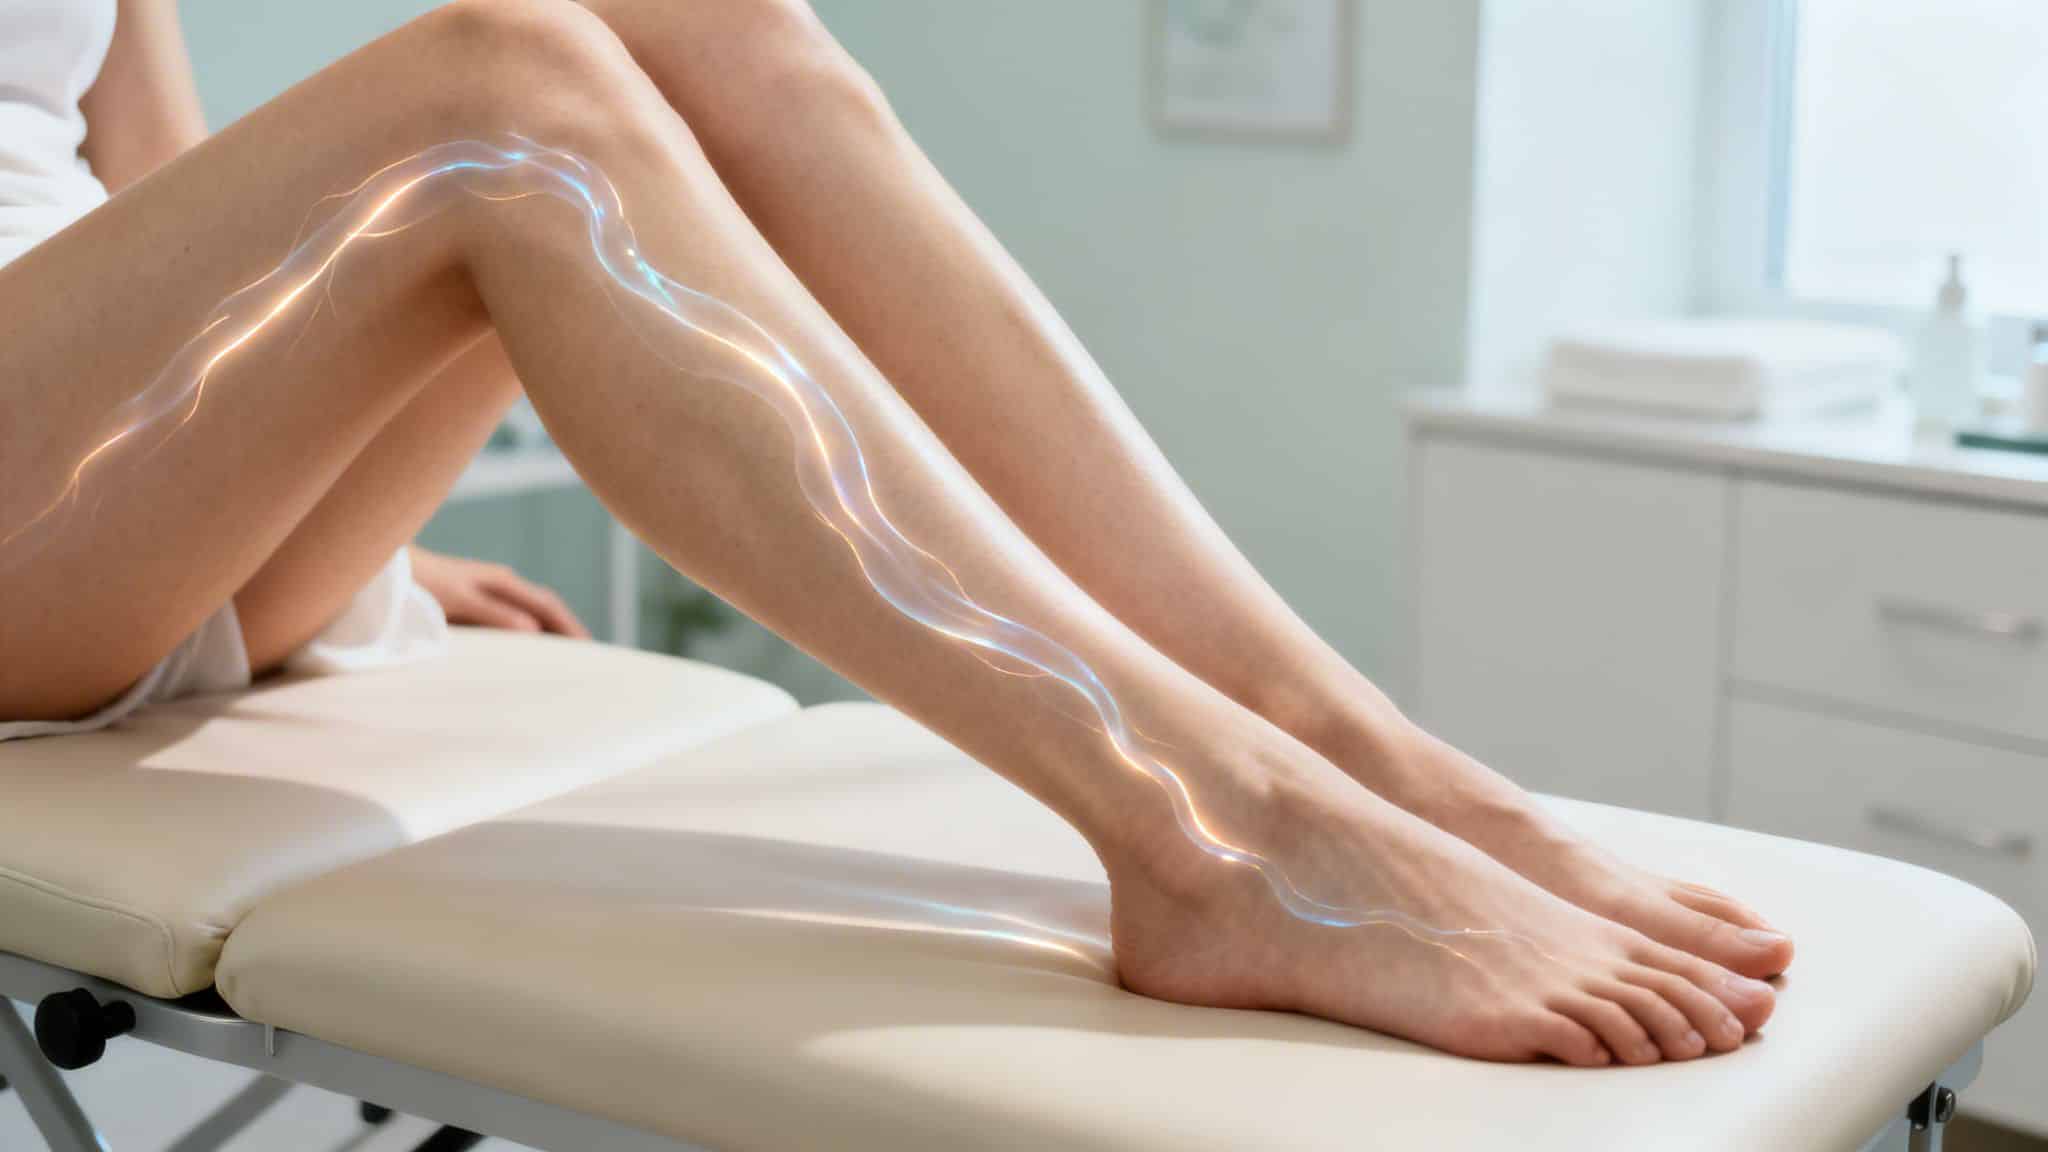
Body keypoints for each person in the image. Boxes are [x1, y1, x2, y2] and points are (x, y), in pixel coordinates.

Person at [0, 0, 1790, 1066]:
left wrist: (299, 505)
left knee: (689, 16)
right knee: (503, 96)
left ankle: (1340, 745)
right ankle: (1220, 831)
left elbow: (149, 195)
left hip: (90, 486)